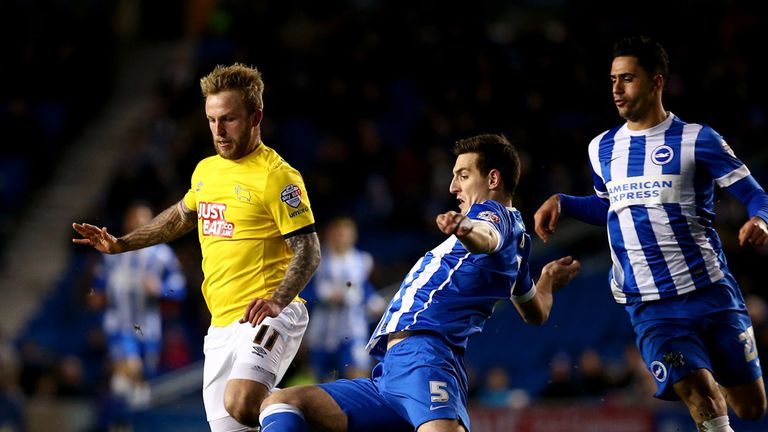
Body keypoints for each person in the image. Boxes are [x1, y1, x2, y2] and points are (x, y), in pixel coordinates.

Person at [259, 133, 581, 432]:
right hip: (389, 374)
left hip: (427, 358)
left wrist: (466, 229)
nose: (453, 186)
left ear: (493, 179)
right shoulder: (517, 250)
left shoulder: (495, 217)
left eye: (463, 175)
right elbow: (535, 312)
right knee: (282, 403)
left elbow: (487, 236)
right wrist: (547, 282)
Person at [534, 36, 767, 431]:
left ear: (656, 82)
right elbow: (614, 207)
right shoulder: (602, 148)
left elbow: (755, 194)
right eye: (612, 79)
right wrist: (564, 201)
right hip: (649, 304)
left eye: (627, 78)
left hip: (709, 292)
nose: (616, 89)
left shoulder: (697, 139)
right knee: (696, 389)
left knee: (751, 408)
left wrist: (759, 220)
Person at [73, 63, 321, 431]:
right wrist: (121, 244)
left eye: (229, 119)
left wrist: (278, 300)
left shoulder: (277, 177)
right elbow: (180, 217)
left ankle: (326, 411)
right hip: (222, 327)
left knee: (243, 399)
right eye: (211, 120)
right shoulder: (206, 170)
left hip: (271, 314)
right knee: (231, 424)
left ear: (256, 116)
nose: (218, 131)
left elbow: (309, 250)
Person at [88, 202, 187, 410]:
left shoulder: (162, 255)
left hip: (148, 327)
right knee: (131, 366)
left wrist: (160, 288)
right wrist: (96, 296)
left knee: (140, 379)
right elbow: (97, 285)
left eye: (143, 220)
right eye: (134, 220)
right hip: (119, 323)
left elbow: (179, 288)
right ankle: (120, 402)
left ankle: (125, 405)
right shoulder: (113, 254)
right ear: (127, 223)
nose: (138, 224)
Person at [305, 216, 386, 381]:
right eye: (339, 233)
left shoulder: (362, 260)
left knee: (357, 377)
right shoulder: (314, 261)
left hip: (352, 329)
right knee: (324, 383)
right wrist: (325, 296)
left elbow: (364, 288)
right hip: (321, 332)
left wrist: (376, 304)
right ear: (329, 234)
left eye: (347, 233)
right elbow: (303, 293)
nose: (343, 237)